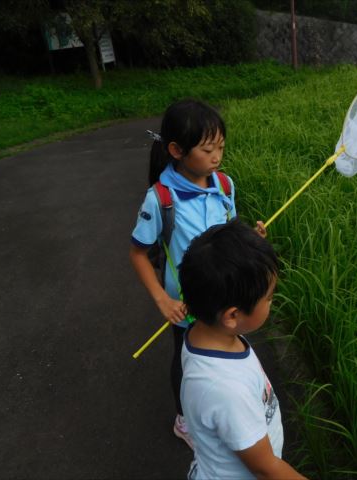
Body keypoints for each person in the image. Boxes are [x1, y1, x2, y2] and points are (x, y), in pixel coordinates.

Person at [129, 99, 266, 449]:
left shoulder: (224, 185)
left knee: (226, 349)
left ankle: (233, 409)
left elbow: (230, 230)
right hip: (186, 304)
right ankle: (184, 420)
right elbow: (139, 253)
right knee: (188, 360)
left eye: (220, 147)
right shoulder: (160, 198)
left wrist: (249, 236)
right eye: (207, 150)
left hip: (225, 294)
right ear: (176, 150)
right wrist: (162, 299)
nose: (217, 156)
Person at [178, 220, 306, 479]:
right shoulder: (226, 389)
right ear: (232, 315)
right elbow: (266, 468)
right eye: (268, 297)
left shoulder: (207, 332)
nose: (272, 301)